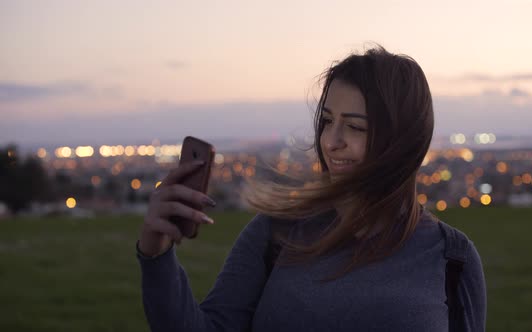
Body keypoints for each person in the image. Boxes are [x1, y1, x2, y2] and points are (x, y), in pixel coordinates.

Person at [136, 45, 487, 331]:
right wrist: (156, 254)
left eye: (355, 127)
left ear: (403, 142)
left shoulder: (452, 258)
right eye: (328, 121)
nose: (331, 141)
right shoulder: (277, 232)